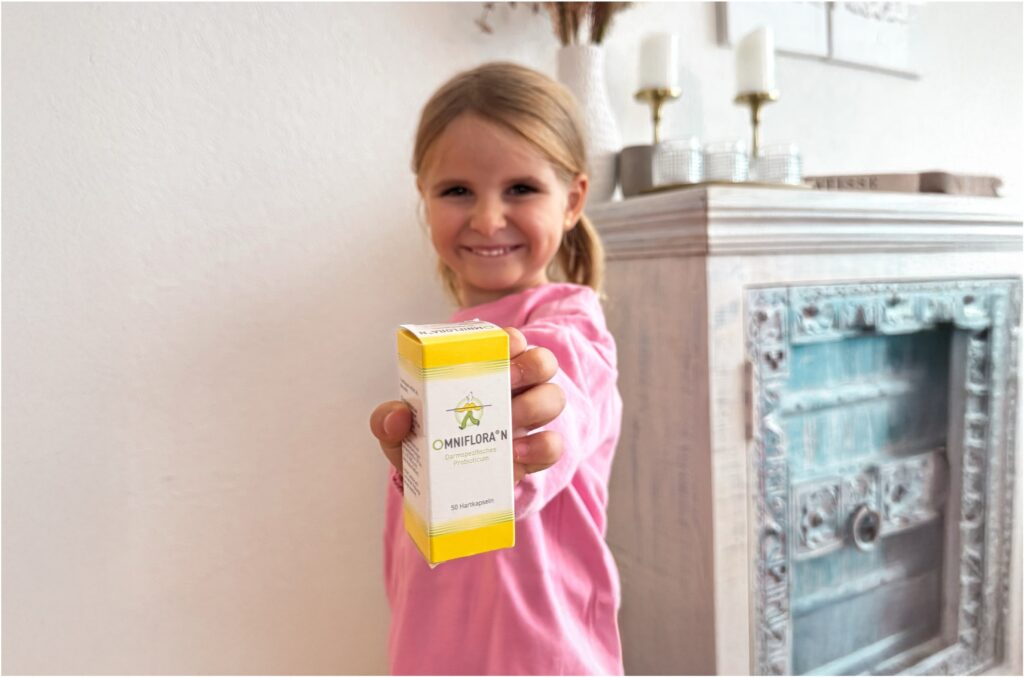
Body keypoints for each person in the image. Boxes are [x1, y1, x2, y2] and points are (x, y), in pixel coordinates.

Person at [368, 61, 624, 676]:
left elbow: (562, 394)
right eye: (457, 191)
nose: (487, 219)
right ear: (424, 197)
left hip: (541, 659)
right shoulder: (437, 352)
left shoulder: (572, 332)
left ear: (573, 200)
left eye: (521, 189)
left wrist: (527, 428)